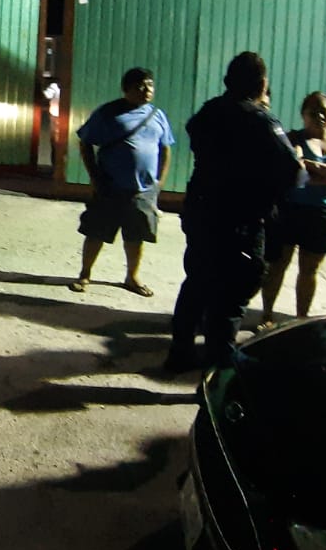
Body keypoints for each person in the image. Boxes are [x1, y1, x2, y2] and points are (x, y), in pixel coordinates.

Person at [166, 52, 305, 372]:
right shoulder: (263, 121)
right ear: (262, 84)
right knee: (231, 297)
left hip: (203, 213)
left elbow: (196, 137)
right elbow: (292, 173)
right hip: (241, 221)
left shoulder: (209, 112)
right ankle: (219, 370)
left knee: (197, 283)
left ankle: (180, 352)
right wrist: (296, 157)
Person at [69, 67, 174, 297]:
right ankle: (84, 274)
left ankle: (132, 277)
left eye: (150, 85)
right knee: (97, 232)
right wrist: (94, 177)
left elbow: (165, 149)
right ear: (126, 89)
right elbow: (85, 142)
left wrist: (159, 183)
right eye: (140, 86)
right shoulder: (108, 113)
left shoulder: (157, 115)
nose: (147, 90)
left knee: (136, 236)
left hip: (143, 190)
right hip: (110, 187)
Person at [256, 92, 326, 329]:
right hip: (291, 210)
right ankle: (266, 315)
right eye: (313, 111)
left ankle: (301, 318)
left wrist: (314, 167)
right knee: (278, 265)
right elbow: (295, 171)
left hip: (324, 213)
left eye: (324, 111)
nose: (320, 116)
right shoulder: (294, 138)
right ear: (303, 114)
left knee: (310, 269)